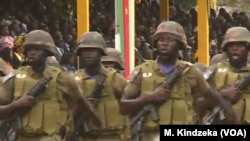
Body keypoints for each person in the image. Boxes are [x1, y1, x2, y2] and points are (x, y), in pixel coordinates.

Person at [119, 21, 238, 141]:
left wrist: (229, 112)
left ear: (179, 44)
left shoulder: (191, 72)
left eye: (170, 40)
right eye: (160, 40)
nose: (164, 43)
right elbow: (123, 107)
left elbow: (210, 97)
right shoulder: (142, 71)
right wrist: (148, 98)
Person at [0, 30, 101, 141]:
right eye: (29, 49)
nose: (32, 53)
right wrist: (15, 105)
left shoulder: (62, 78)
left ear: (47, 52)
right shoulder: (16, 78)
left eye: (37, 49)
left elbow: (81, 103)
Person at [74, 31, 128, 141]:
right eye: (84, 51)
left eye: (92, 50)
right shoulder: (74, 80)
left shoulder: (114, 78)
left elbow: (132, 105)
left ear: (101, 53)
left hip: (112, 136)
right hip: (85, 136)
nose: (87, 54)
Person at [204, 27, 250, 124]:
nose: (235, 48)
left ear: (247, 47)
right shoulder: (214, 69)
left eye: (239, 45)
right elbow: (199, 96)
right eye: (231, 45)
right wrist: (222, 94)